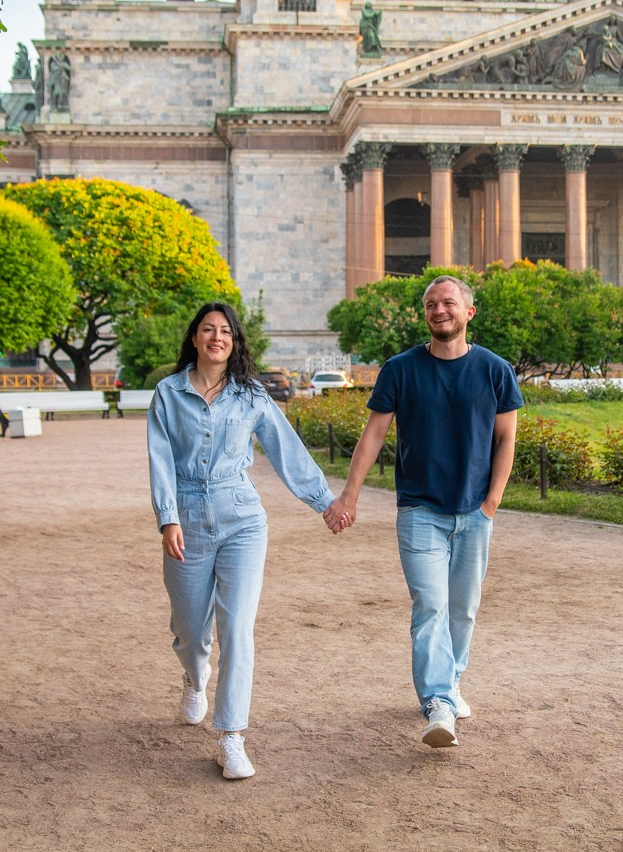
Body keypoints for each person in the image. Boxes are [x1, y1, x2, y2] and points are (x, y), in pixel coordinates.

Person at [148, 302, 348, 780]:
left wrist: (324, 501)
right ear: (194, 338)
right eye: (208, 330)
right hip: (188, 520)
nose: (217, 338)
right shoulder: (168, 394)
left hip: (242, 518)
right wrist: (168, 518)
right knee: (192, 630)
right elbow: (159, 459)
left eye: (226, 332)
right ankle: (195, 678)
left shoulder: (251, 395)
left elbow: (286, 450)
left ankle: (232, 737)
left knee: (237, 628)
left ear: (235, 342)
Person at [323, 276, 523, 748]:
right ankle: (438, 702)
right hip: (419, 510)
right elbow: (373, 435)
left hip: (475, 512)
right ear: (425, 314)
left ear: (468, 312)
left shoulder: (495, 370)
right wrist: (349, 496)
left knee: (463, 609)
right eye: (432, 304)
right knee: (430, 605)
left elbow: (506, 439)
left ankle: (451, 682)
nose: (439, 310)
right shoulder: (401, 369)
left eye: (449, 303)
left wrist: (491, 502)